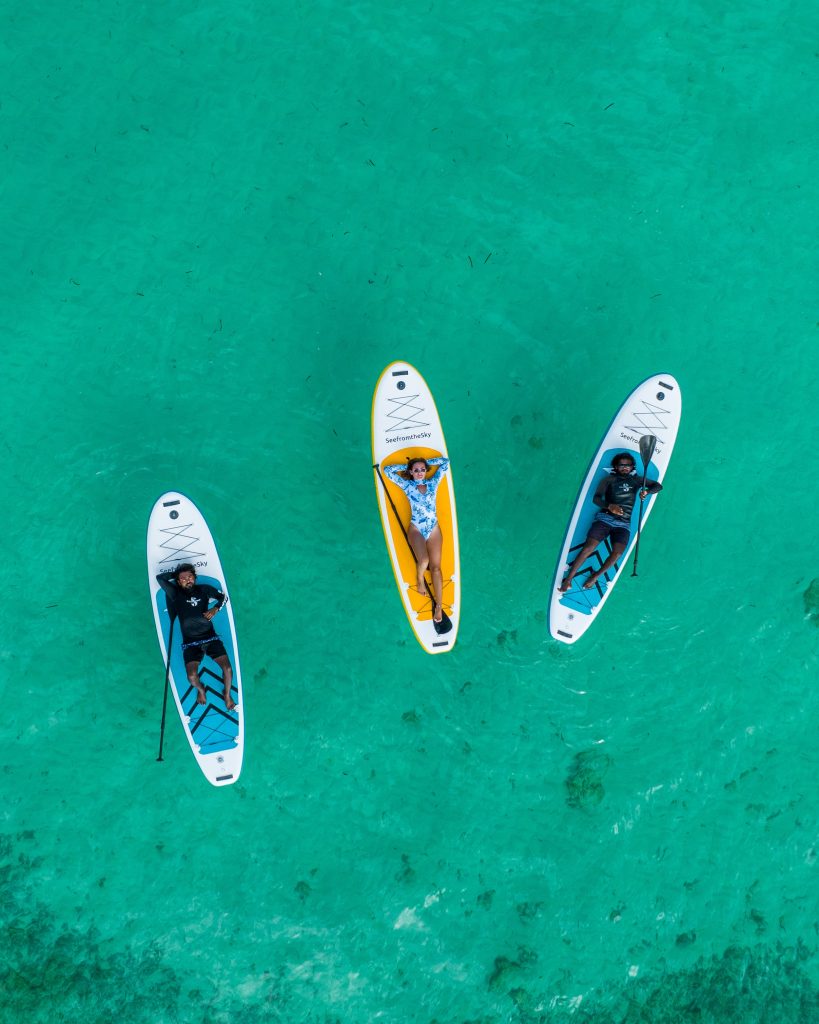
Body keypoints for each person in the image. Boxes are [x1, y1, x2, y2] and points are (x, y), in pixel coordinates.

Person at [559, 452, 662, 592]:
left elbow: (658, 486)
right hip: (605, 519)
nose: (625, 467)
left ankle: (595, 576)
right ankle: (569, 579)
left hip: (623, 524)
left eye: (628, 465)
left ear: (632, 467)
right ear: (615, 466)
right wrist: (609, 506)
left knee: (618, 554)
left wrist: (647, 492)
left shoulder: (637, 480)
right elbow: (595, 499)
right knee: (589, 548)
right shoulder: (608, 480)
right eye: (621, 465)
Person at [156, 563, 235, 711]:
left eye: (190, 576)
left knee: (228, 669)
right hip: (190, 643)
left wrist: (215, 608)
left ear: (195, 578)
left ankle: (227, 694)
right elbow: (160, 578)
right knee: (192, 677)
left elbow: (223, 597)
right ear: (178, 582)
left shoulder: (204, 589)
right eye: (183, 578)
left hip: (210, 638)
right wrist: (175, 575)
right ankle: (201, 689)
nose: (187, 579)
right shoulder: (175, 593)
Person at [383, 455, 450, 623]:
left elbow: (445, 463)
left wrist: (428, 463)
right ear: (411, 472)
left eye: (422, 469)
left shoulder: (433, 482)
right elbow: (387, 470)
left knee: (436, 569)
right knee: (425, 560)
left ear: (426, 471)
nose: (420, 473)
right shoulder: (407, 485)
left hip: (433, 528)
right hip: (416, 528)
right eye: (416, 470)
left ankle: (439, 606)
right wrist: (407, 465)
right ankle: (420, 579)